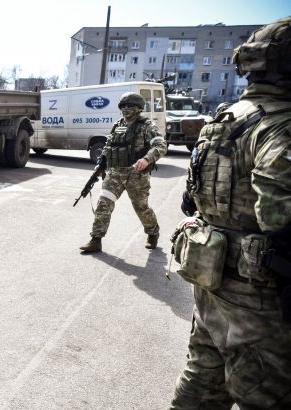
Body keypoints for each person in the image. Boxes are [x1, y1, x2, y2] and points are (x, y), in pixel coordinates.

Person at [171, 17, 291, 409]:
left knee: (203, 378)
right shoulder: (280, 126)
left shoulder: (226, 117)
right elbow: (279, 217)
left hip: (212, 277)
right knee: (267, 395)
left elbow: (193, 199)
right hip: (259, 297)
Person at [79, 92, 167, 253]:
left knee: (141, 207)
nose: (126, 109)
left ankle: (153, 232)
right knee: (103, 204)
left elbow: (160, 145)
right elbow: (109, 147)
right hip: (114, 173)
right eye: (123, 106)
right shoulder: (117, 125)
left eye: (130, 106)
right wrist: (101, 165)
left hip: (136, 174)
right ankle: (96, 239)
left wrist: (147, 159)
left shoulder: (146, 126)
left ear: (139, 108)